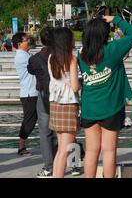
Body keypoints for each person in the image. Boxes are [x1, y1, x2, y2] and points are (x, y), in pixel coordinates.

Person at [78, 15, 132, 178]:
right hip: (112, 107)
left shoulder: (82, 54)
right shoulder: (113, 49)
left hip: (89, 108)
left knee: (91, 150)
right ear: (104, 34)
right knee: (109, 150)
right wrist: (115, 19)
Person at [48, 28, 81, 178]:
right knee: (65, 150)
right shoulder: (71, 59)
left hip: (55, 104)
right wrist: (79, 83)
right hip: (68, 105)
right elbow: (75, 87)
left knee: (61, 149)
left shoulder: (51, 58)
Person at [27, 27, 57, 177]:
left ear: (41, 40)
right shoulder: (61, 55)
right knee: (64, 131)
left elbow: (31, 71)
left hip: (43, 96)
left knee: (45, 133)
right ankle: (73, 162)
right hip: (61, 96)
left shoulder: (34, 58)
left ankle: (49, 166)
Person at [13, 32, 39, 157]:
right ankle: (21, 147)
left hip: (33, 92)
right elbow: (37, 65)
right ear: (19, 44)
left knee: (34, 120)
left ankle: (22, 146)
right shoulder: (22, 57)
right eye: (26, 40)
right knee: (29, 121)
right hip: (29, 93)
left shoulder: (26, 54)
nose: (28, 41)